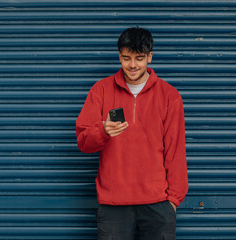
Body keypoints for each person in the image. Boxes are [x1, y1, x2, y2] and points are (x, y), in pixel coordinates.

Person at [76, 27, 188, 240]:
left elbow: (176, 150)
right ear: (119, 56)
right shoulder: (101, 90)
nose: (133, 65)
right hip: (113, 204)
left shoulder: (169, 96)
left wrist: (173, 200)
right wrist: (103, 131)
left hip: (158, 203)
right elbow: (83, 142)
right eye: (126, 58)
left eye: (139, 58)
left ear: (150, 57)